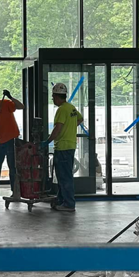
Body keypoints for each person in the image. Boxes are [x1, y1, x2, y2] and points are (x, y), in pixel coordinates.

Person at [44, 82, 83, 213]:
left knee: (64, 176)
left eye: (53, 96)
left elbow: (57, 128)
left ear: (56, 96)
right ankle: (61, 200)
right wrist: (70, 128)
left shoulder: (61, 110)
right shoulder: (71, 107)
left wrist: (48, 141)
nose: (52, 99)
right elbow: (80, 119)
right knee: (63, 176)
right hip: (70, 146)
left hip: (63, 147)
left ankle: (69, 204)